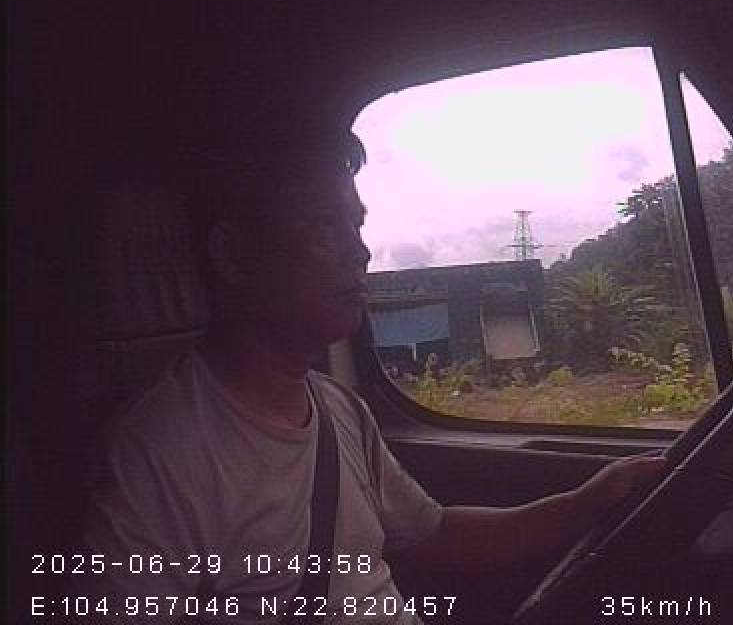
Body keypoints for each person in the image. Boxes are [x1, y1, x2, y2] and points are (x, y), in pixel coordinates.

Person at [80, 129, 665, 623]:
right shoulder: (162, 454)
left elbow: (434, 536)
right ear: (233, 255)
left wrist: (587, 501)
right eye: (325, 227)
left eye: (355, 227)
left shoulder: (338, 408)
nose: (358, 253)